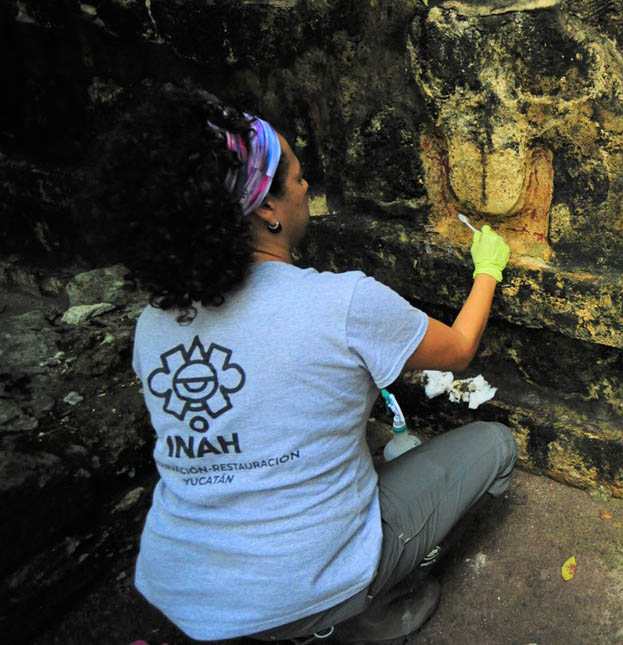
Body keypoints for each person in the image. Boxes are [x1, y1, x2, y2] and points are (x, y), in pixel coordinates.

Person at [92, 86, 517, 643]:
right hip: (305, 584)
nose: (306, 185)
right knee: (494, 445)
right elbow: (459, 349)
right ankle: (365, 612)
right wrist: (488, 270)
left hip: (184, 591)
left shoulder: (154, 324)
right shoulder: (342, 304)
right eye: (295, 176)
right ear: (267, 209)